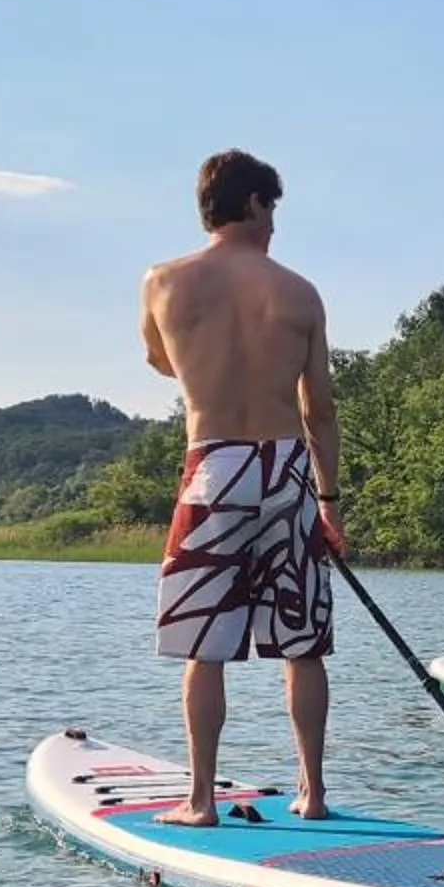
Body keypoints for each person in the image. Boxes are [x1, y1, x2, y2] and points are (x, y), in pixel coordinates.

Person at [142, 149, 345, 825]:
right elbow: (320, 410)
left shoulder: (163, 282)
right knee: (303, 645)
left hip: (214, 465)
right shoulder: (299, 293)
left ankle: (201, 800)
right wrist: (328, 501)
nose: (275, 224)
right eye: (272, 208)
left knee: (205, 647)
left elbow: (159, 359)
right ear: (253, 203)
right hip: (286, 467)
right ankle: (312, 794)